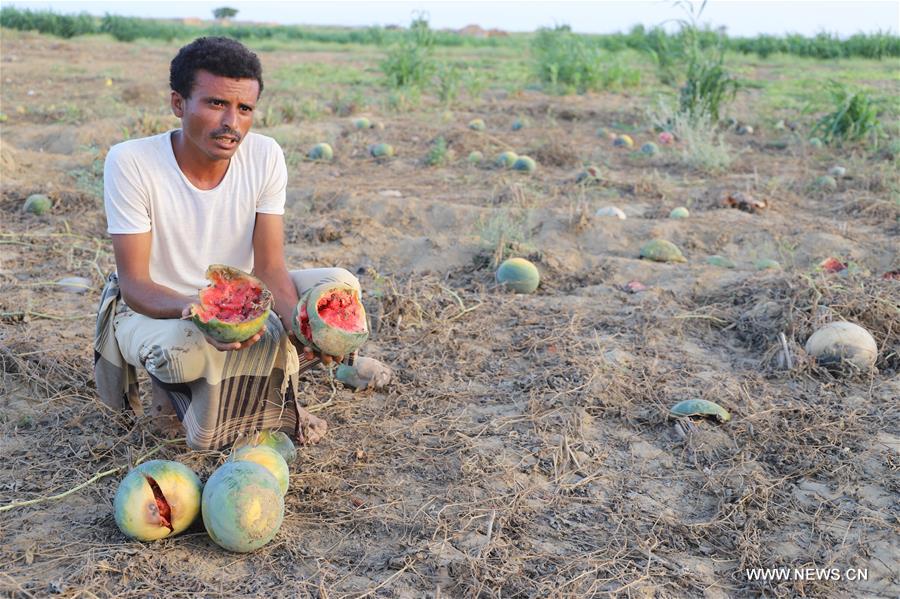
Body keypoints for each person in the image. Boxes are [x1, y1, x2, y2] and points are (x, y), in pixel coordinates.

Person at [93, 36, 391, 450]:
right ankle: (172, 394)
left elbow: (269, 268)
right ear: (178, 103)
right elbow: (135, 285)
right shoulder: (132, 162)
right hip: (159, 309)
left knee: (339, 286)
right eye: (216, 103)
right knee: (182, 351)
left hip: (245, 296)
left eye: (244, 108)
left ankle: (279, 399)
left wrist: (306, 331)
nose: (231, 122)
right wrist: (198, 311)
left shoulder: (265, 155)